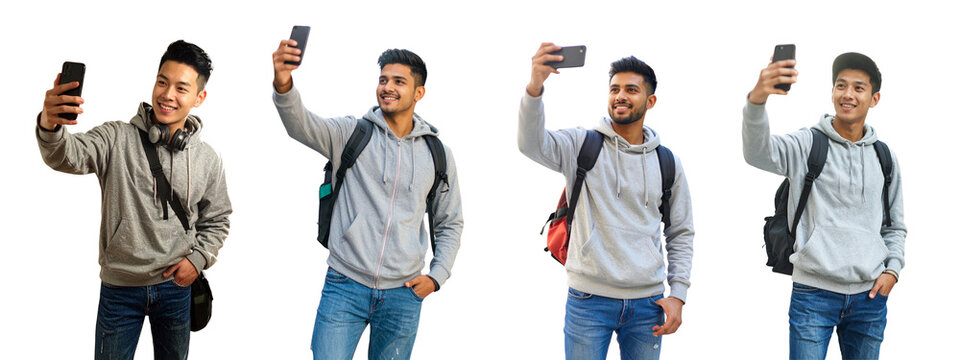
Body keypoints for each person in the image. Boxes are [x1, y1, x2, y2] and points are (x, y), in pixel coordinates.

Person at [35, 40, 232, 360]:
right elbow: (64, 155)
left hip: (176, 287)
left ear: (199, 98)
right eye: (162, 82)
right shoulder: (115, 137)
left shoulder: (208, 159)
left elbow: (218, 219)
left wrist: (197, 261)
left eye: (181, 88)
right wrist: (50, 123)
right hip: (120, 289)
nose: (167, 95)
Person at [271, 41, 463, 360]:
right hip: (344, 285)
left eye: (399, 81)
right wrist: (283, 83)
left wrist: (437, 276)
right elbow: (300, 125)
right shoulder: (352, 133)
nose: (387, 87)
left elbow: (450, 221)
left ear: (419, 93)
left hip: (404, 295)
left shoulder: (437, 154)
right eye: (383, 80)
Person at [518, 43, 695, 360]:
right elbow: (530, 143)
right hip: (588, 300)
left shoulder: (667, 162)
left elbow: (680, 231)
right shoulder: (581, 144)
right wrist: (535, 87)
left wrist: (678, 295)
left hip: (648, 304)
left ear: (650, 101)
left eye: (631, 90)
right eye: (615, 89)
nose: (620, 96)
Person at [742, 51, 906, 359]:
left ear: (874, 98)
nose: (848, 94)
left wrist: (893, 270)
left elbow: (894, 225)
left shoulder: (884, 157)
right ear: (832, 92)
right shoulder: (807, 144)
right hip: (813, 296)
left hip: (870, 298)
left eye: (858, 88)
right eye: (841, 85)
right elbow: (757, 153)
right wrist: (757, 100)